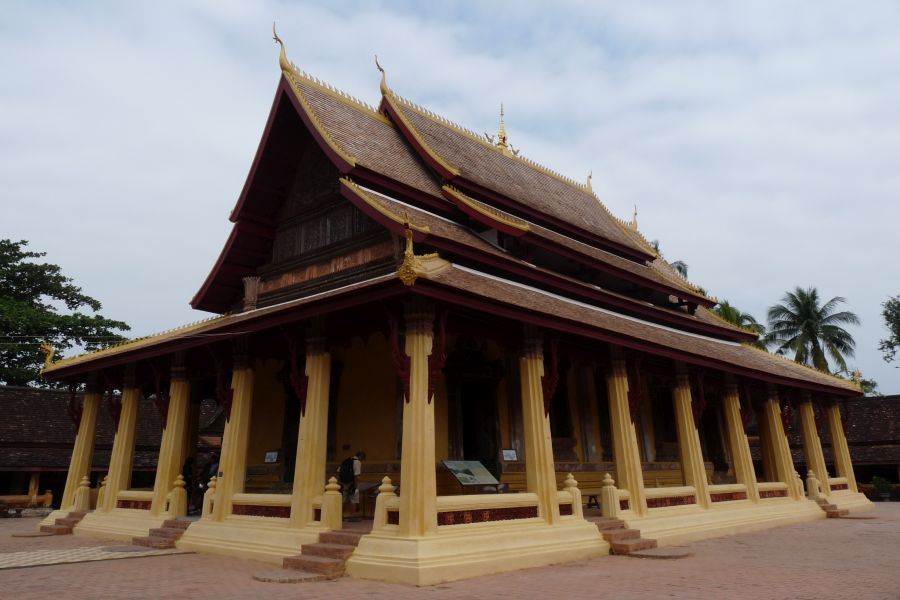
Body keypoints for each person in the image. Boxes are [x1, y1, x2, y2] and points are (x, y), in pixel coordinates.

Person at [338, 450, 366, 518]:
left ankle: (339, 515)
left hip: (344, 483)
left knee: (343, 499)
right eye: (363, 458)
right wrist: (355, 486)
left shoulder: (347, 461)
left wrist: (341, 482)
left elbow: (339, 471)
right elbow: (356, 475)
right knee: (353, 500)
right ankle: (352, 516)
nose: (362, 460)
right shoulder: (357, 462)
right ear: (360, 456)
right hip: (352, 483)